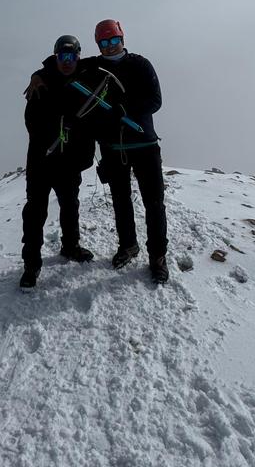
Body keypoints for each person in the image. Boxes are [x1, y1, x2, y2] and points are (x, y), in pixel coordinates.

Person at [89, 19, 169, 284]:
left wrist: (125, 109)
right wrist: (38, 75)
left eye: (114, 41)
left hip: (144, 145)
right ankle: (128, 245)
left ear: (122, 39)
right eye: (105, 43)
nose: (111, 47)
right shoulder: (93, 68)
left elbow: (155, 100)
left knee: (154, 202)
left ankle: (157, 256)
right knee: (120, 200)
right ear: (98, 44)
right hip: (112, 148)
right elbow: (61, 67)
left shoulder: (140, 64)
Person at [20, 33, 96, 289]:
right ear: (56, 56)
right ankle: (31, 265)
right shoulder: (42, 83)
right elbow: (31, 121)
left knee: (70, 205)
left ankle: (71, 247)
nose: (67, 61)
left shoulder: (86, 77)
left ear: (78, 56)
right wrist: (58, 129)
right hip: (42, 160)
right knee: (35, 212)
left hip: (69, 162)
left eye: (72, 56)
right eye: (62, 56)